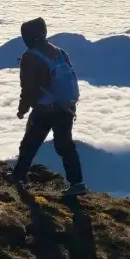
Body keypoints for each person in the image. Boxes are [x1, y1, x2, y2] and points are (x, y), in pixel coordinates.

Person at [10, 17, 88, 197]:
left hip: (45, 109)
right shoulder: (60, 52)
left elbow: (28, 88)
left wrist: (23, 109)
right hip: (66, 108)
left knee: (29, 143)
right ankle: (77, 183)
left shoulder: (30, 57)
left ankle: (18, 177)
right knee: (65, 146)